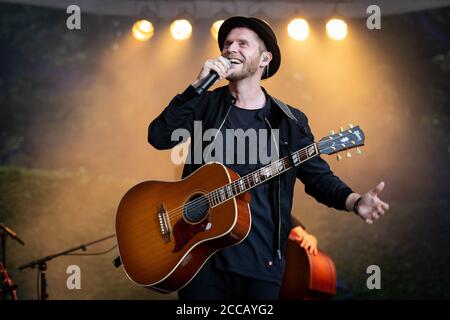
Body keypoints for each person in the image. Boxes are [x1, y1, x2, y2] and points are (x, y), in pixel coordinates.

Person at [148, 16, 389, 300]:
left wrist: (355, 201)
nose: (230, 49)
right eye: (226, 44)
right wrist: (196, 87)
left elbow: (318, 177)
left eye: (242, 43)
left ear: (264, 59)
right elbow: (159, 137)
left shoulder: (288, 120)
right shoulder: (203, 104)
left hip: (261, 263)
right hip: (200, 259)